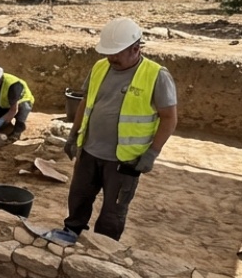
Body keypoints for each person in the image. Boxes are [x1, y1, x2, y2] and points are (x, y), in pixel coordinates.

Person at [54, 18, 177, 242]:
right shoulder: (100, 67)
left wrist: (152, 153)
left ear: (135, 49)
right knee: (78, 198)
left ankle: (104, 248)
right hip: (90, 152)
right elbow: (85, 103)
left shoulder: (156, 75)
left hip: (125, 160)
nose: (111, 58)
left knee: (113, 211)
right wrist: (73, 135)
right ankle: (72, 232)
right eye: (108, 53)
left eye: (116, 53)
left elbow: (169, 118)